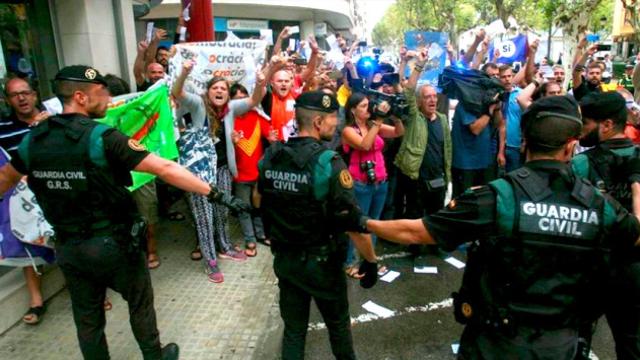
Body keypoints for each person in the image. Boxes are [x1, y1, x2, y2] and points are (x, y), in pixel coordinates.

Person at [363, 95, 640, 359]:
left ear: (525, 142)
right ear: (570, 146)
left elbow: (416, 231)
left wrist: (363, 222)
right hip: (562, 342)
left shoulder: (496, 197)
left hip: (497, 342)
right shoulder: (599, 204)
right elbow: (633, 238)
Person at [0, 65, 247, 359]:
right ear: (80, 97)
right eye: (101, 93)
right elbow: (165, 168)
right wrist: (216, 194)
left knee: (88, 318)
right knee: (140, 303)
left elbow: (5, 179)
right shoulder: (102, 137)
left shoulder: (34, 140)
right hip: (112, 244)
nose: (107, 99)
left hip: (69, 247)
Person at [254, 91, 378, 360]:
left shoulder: (271, 156)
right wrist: (370, 261)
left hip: (286, 261)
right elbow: (353, 224)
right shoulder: (328, 163)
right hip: (322, 266)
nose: (336, 124)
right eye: (333, 118)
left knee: (294, 331)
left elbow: (257, 199)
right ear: (319, 122)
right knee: (338, 327)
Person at [571, 92, 640, 359]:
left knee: (578, 340)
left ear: (607, 125)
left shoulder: (581, 164)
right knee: (631, 342)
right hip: (632, 270)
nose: (581, 129)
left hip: (592, 268)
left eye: (586, 122)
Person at [0, 77, 53, 325]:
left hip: (56, 191)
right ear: (7, 100)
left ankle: (91, 295)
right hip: (23, 199)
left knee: (68, 241)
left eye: (25, 92)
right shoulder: (3, 130)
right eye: (14, 95)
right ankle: (36, 302)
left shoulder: (53, 119)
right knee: (26, 245)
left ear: (34, 94)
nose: (21, 98)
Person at [341, 92, 404, 275]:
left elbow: (398, 132)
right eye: (363, 106)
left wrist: (396, 117)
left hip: (380, 181)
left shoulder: (372, 124)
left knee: (374, 224)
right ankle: (350, 263)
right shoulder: (348, 130)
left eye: (368, 104)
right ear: (353, 110)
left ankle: (370, 261)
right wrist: (378, 121)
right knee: (358, 224)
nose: (368, 108)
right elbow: (365, 145)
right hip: (360, 183)